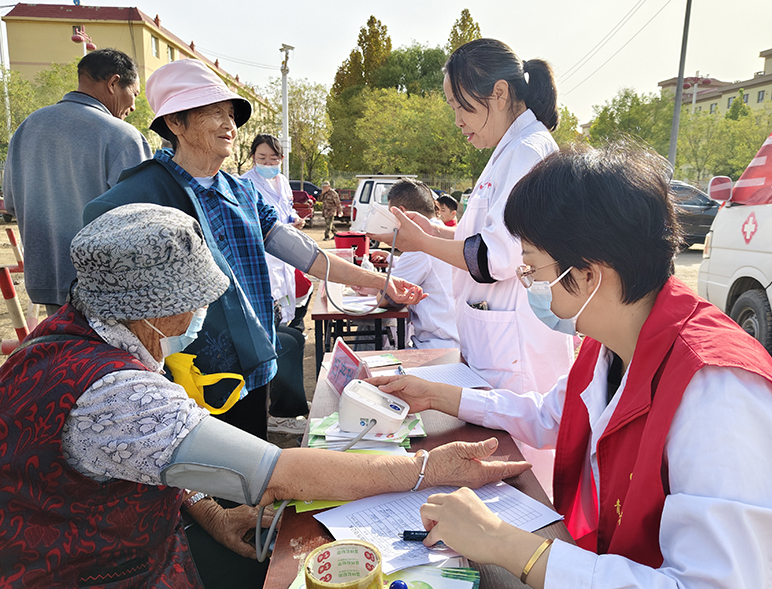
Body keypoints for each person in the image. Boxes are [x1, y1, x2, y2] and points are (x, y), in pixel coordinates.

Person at [0, 203, 530, 589]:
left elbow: (138, 455)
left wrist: (207, 510)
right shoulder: (114, 392)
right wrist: (427, 470)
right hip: (89, 573)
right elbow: (279, 472)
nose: (197, 316)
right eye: (195, 301)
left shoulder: (70, 338)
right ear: (154, 309)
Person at [370, 143, 772, 589]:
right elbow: (549, 415)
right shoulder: (611, 343)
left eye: (532, 270)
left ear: (590, 275)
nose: (530, 285)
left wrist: (503, 542)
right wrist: (439, 395)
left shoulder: (720, 393)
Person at [84, 58, 425, 442]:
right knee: (198, 479)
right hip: (183, 375)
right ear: (175, 123)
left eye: (230, 113)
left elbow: (306, 255)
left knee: (248, 472)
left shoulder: (240, 192)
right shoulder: (140, 196)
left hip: (251, 359)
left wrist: (382, 283)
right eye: (214, 112)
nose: (229, 125)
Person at [369, 38, 572, 397]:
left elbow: (493, 257)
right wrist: (434, 230)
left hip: (515, 350)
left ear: (499, 92)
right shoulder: (509, 150)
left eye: (461, 106)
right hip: (495, 342)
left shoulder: (526, 151)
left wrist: (425, 244)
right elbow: (482, 237)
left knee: (515, 446)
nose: (458, 121)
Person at [3, 48, 152, 314]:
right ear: (114, 83)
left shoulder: (26, 128)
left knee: (67, 355)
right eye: (135, 94)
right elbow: (144, 222)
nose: (133, 106)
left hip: (48, 284)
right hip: (110, 291)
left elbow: (12, 204)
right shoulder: (122, 137)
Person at [240, 134, 310, 434]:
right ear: (252, 157)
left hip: (285, 264)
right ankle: (278, 412)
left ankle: (284, 411)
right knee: (279, 343)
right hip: (264, 270)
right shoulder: (244, 184)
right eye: (262, 158)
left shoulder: (282, 182)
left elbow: (286, 211)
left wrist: (294, 221)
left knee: (291, 337)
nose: (268, 164)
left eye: (273, 159)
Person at [361, 179, 459, 349]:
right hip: (451, 338)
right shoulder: (440, 235)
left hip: (437, 345)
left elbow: (385, 298)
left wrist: (370, 284)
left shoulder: (421, 245)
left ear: (402, 213)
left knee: (367, 332)